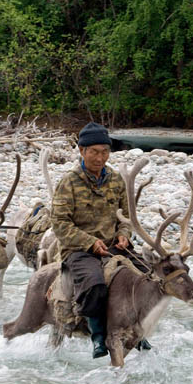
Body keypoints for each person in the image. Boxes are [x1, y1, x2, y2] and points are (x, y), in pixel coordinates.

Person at [50, 121, 150, 358]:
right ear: (82, 151)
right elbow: (60, 224)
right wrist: (89, 242)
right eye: (94, 151)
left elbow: (126, 217)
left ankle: (137, 331)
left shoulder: (116, 180)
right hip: (79, 249)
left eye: (105, 151)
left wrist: (124, 235)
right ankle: (97, 334)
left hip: (114, 246)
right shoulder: (68, 182)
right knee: (95, 284)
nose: (100, 157)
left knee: (148, 277)